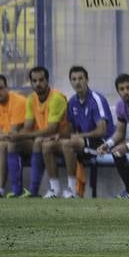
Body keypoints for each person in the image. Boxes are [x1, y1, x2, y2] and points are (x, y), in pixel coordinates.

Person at [49, 65, 113, 198]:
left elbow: (102, 130)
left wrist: (78, 136)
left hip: (102, 144)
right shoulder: (72, 102)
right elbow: (70, 129)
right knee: (46, 145)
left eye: (80, 78)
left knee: (69, 143)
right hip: (82, 143)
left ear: (87, 80)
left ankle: (72, 190)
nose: (77, 82)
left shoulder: (96, 99)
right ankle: (54, 189)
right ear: (70, 82)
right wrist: (59, 135)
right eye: (73, 79)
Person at [2, 66, 67, 197]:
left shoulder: (56, 98)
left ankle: (33, 191)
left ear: (47, 81)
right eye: (34, 81)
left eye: (41, 80)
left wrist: (21, 135)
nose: (38, 84)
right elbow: (28, 126)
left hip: (60, 139)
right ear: (31, 83)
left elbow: (51, 129)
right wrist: (17, 137)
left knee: (37, 142)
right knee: (12, 144)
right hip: (39, 140)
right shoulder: (31, 99)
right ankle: (16, 191)